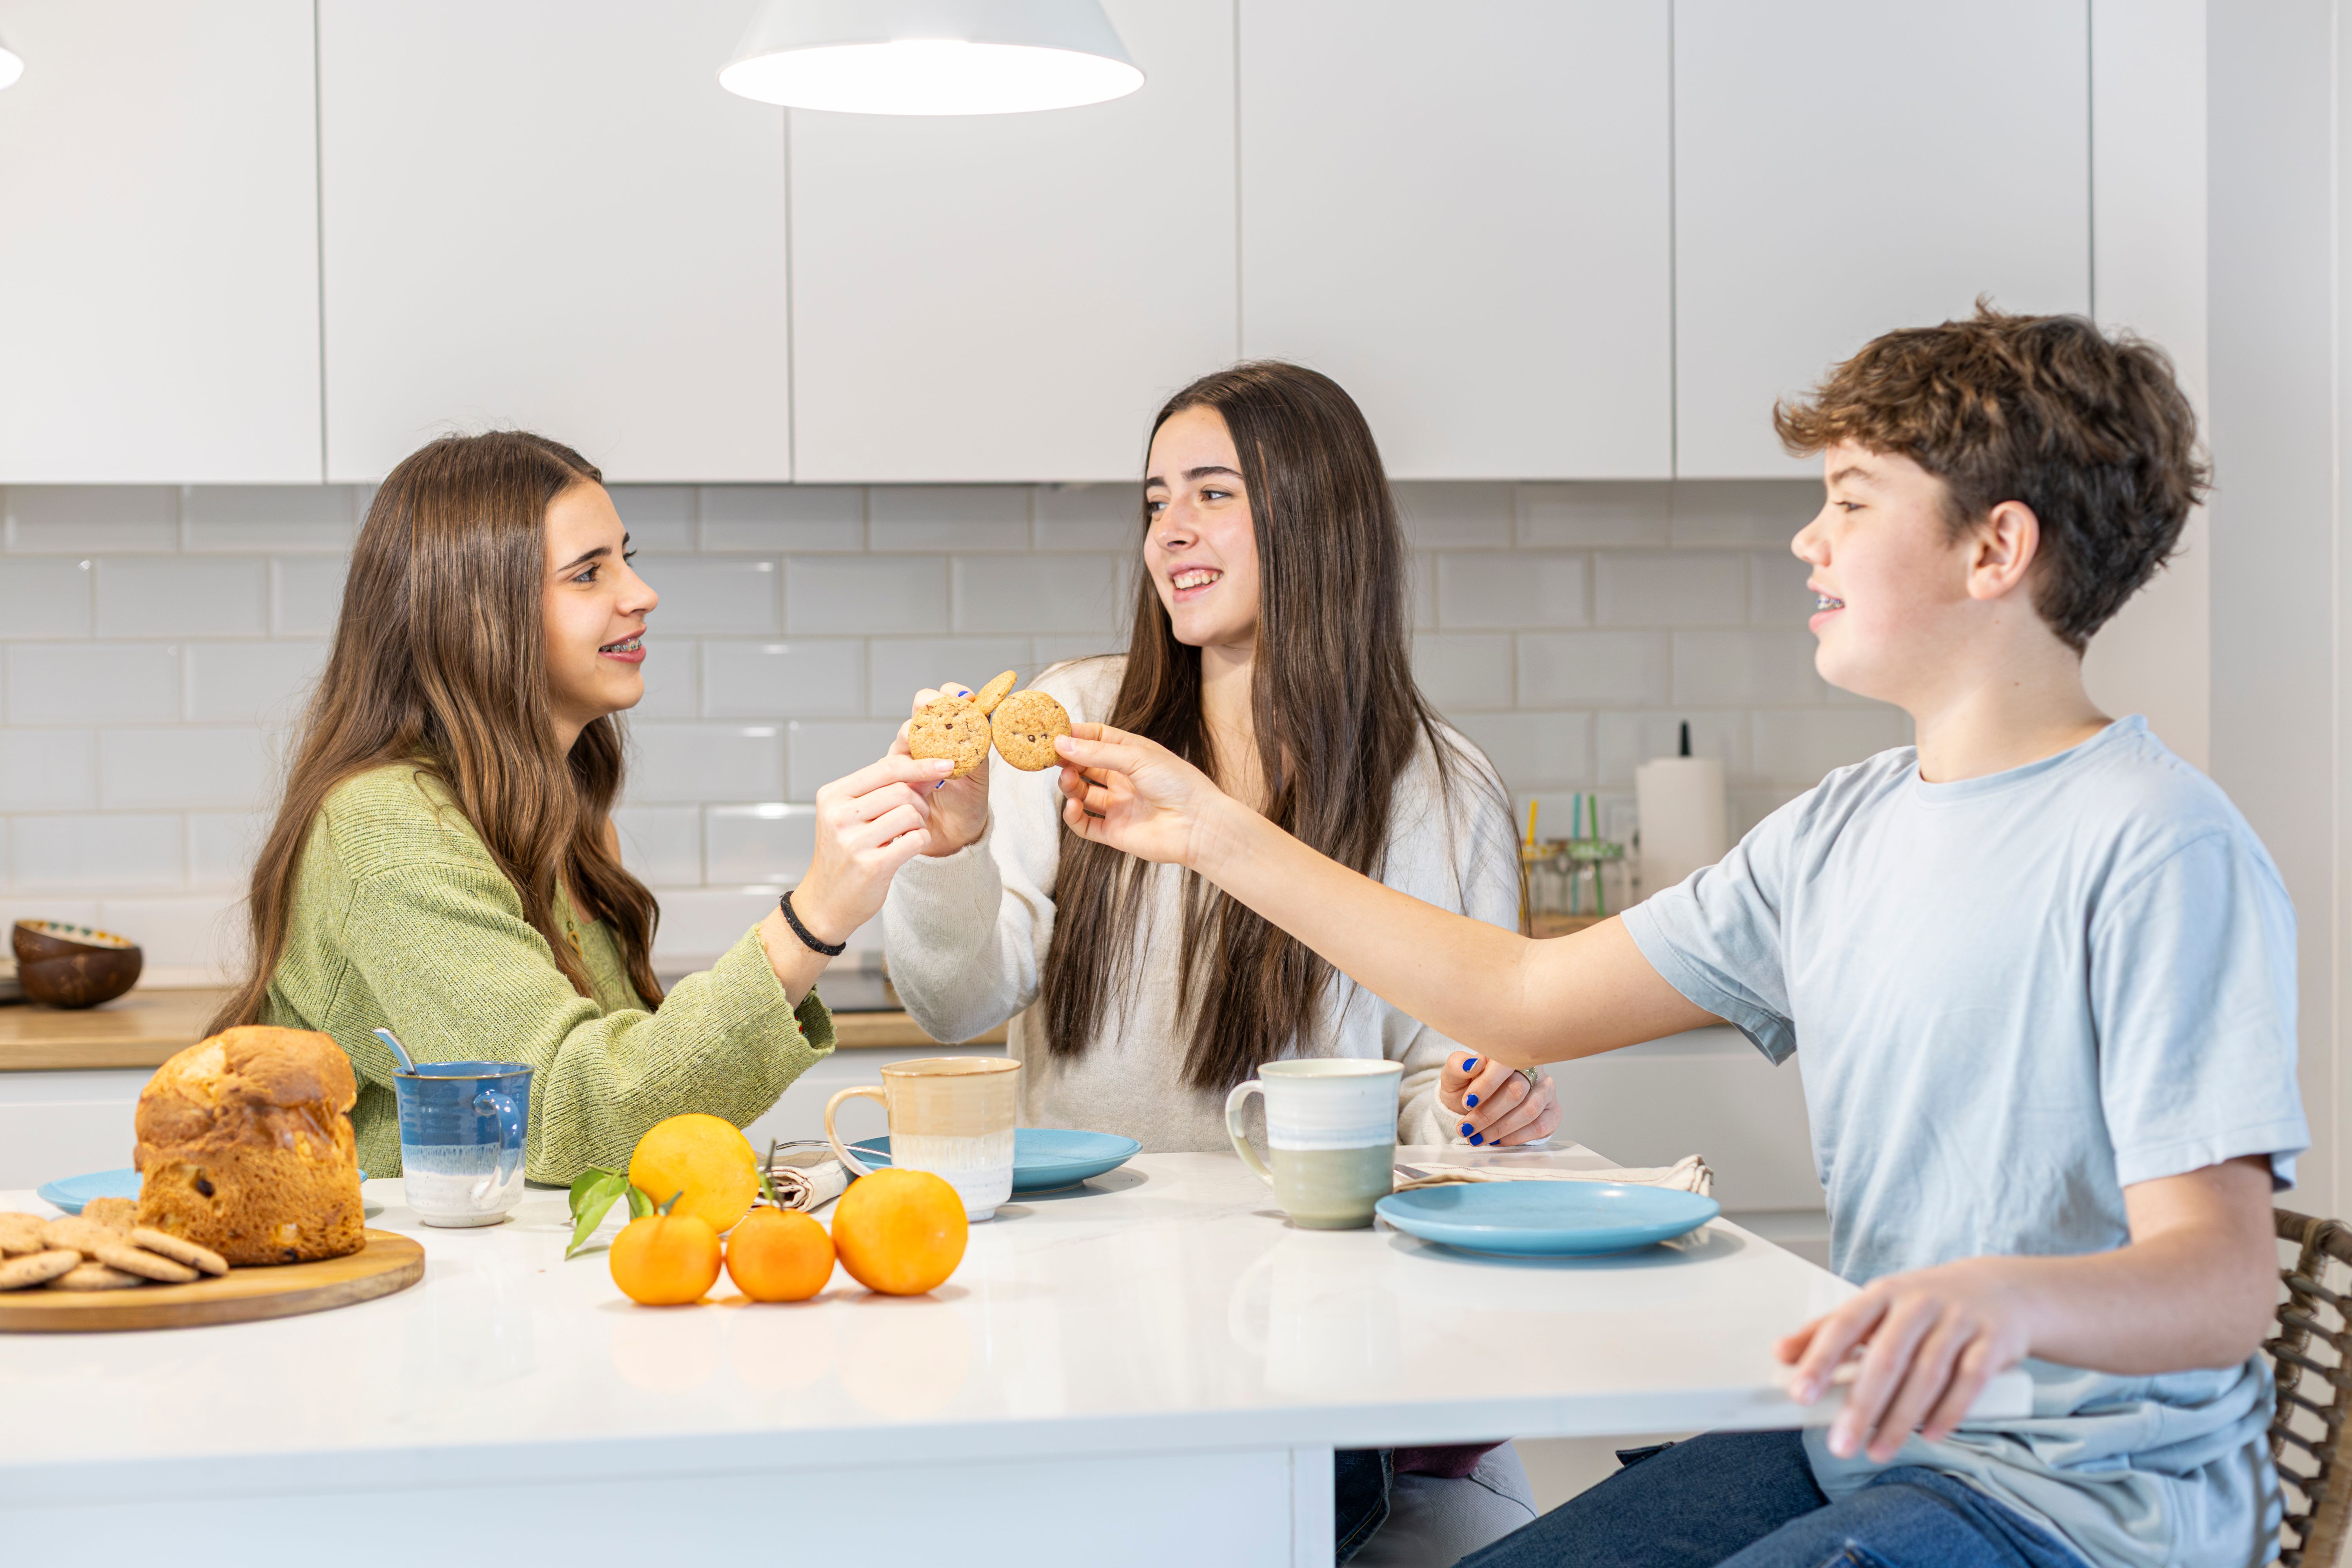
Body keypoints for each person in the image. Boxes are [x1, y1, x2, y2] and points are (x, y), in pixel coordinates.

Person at [1049, 308, 2305, 1568]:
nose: (1809, 539)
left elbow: (2222, 1283)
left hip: (2076, 1507)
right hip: (1866, 1439)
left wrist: (2001, 1294)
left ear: (1997, 549)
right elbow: (1526, 995)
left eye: (1853, 502)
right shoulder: (1837, 835)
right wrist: (1214, 834)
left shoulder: (2155, 848)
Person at [879, 361, 1550, 1563]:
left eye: (1211, 494)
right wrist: (950, 852)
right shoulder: (1075, 729)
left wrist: (1477, 1103)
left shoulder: (1441, 793)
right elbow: (953, 1002)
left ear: (1314, 513)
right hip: (1080, 1308)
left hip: (1315, 1320)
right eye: (1153, 502)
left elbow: (1437, 1085)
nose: (1168, 533)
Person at [212, 431, 949, 1182]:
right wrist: (813, 920)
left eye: (626, 559)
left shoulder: (563, 821)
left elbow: (629, 1105)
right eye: (588, 573)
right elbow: (565, 1113)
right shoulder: (383, 826)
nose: (640, 594)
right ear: (478, 615)